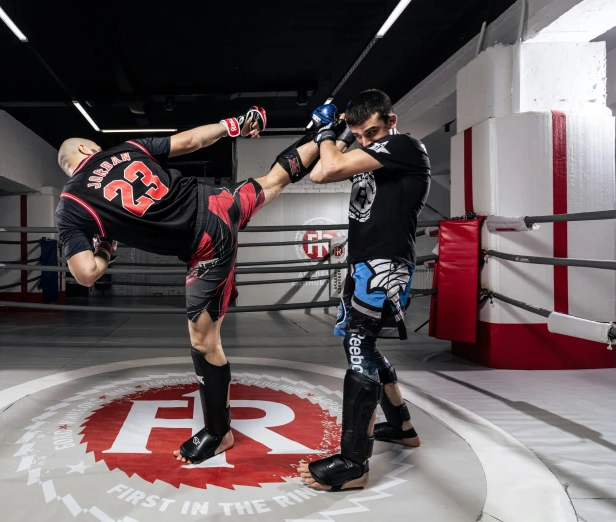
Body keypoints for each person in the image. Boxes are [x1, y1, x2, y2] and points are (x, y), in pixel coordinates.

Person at [55, 107, 320, 465]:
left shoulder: (71, 203)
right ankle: (328, 135)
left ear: (71, 166)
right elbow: (192, 139)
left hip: (205, 247)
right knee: (272, 180)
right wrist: (236, 124)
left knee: (204, 341)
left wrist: (104, 247)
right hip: (219, 202)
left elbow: (86, 273)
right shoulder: (128, 148)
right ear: (89, 151)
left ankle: (218, 432)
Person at [297, 89, 430, 491]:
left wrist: (329, 132)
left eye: (373, 131)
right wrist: (337, 132)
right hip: (364, 263)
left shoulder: (403, 145)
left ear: (391, 120)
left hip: (384, 264)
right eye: (361, 136)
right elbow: (320, 173)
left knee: (357, 347)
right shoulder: (372, 151)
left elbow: (329, 165)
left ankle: (355, 463)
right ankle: (402, 426)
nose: (368, 141)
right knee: (365, 347)